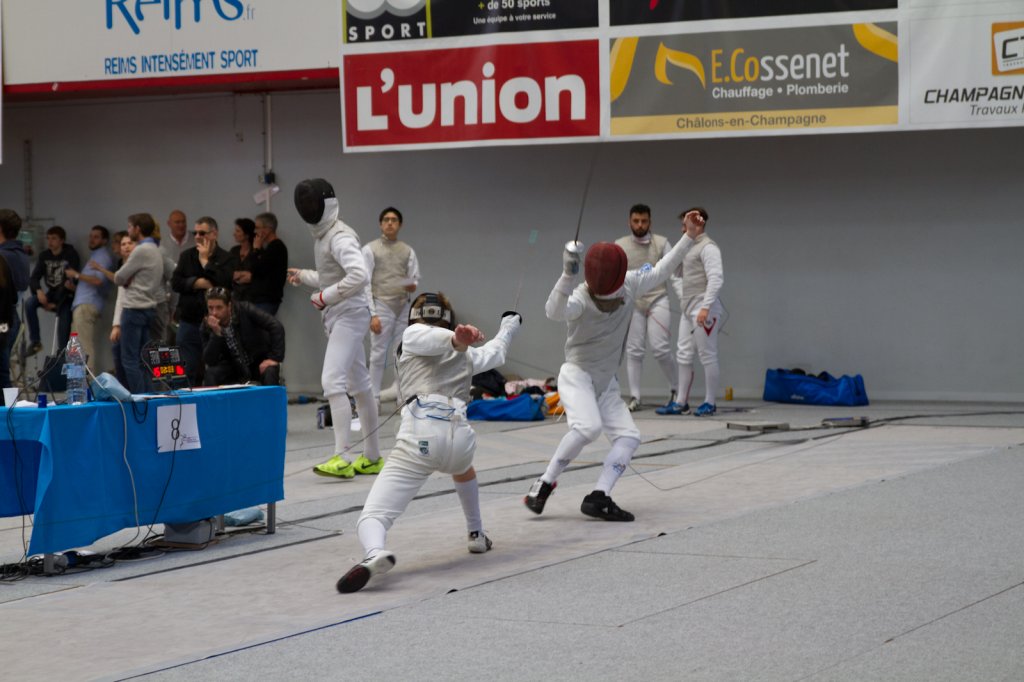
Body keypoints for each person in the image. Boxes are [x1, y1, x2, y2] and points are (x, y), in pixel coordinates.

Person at [523, 209, 705, 522]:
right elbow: (553, 310)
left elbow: (663, 270)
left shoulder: (629, 285)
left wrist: (689, 236)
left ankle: (599, 496)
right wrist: (566, 275)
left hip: (606, 382)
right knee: (588, 428)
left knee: (629, 438)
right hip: (577, 376)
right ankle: (543, 485)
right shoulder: (580, 298)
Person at [336, 293, 522, 593]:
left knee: (373, 517)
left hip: (421, 437)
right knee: (464, 470)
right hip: (460, 441)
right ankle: (476, 534)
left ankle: (374, 553)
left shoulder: (411, 335)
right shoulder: (462, 353)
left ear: (415, 317)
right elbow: (496, 353)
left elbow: (430, 337)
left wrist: (458, 339)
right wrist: (508, 327)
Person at [290, 178, 383, 479]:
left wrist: (324, 297)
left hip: (349, 314)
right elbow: (332, 276)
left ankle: (342, 457)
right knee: (361, 386)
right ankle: (372, 457)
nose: (307, 208)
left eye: (311, 203)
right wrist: (304, 276)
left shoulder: (339, 237)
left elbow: (359, 275)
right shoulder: (324, 236)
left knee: (332, 381)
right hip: (341, 313)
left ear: (325, 205)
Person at [659, 207, 724, 418]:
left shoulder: (708, 247)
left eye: (685, 224)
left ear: (697, 223)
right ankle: (681, 403)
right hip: (689, 309)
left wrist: (705, 307)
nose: (682, 229)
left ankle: (710, 403)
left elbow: (716, 279)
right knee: (684, 354)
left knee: (707, 355)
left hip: (704, 308)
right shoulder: (689, 247)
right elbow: (676, 271)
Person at [615, 204, 679, 412]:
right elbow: (615, 275)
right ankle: (635, 396)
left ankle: (676, 390)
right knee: (634, 350)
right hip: (633, 302)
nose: (640, 225)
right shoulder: (620, 245)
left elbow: (673, 273)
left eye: (644, 221)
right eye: (636, 221)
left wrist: (684, 300)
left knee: (660, 348)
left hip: (658, 298)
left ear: (650, 222)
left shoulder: (662, 243)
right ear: (629, 222)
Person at [363, 206, 420, 405]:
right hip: (381, 304)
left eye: (394, 220)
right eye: (386, 219)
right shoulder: (370, 249)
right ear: (380, 224)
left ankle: (402, 397)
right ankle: (373, 399)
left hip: (403, 306)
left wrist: (408, 283)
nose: (389, 223)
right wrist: (372, 314)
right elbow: (365, 282)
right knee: (377, 354)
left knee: (402, 352)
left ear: (400, 224)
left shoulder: (407, 251)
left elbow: (413, 280)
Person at [171, 217, 234, 386]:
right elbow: (176, 282)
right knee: (184, 370)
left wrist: (205, 262)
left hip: (216, 323)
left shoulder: (227, 258)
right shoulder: (187, 256)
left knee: (215, 370)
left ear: (214, 234)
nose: (197, 236)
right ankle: (183, 401)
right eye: (195, 233)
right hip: (189, 321)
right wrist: (196, 283)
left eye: (202, 233)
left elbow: (224, 284)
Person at [111, 214, 164, 393]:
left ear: (138, 229)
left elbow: (119, 277)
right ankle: (148, 395)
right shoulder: (155, 249)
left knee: (129, 360)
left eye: (130, 227)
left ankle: (139, 398)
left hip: (134, 309)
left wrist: (129, 278)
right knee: (143, 360)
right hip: (149, 308)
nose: (128, 230)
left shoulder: (141, 250)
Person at [202, 287, 284, 386]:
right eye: (210, 308)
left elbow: (275, 326)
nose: (214, 313)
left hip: (256, 360)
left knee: (270, 370)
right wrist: (216, 334)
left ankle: (272, 396)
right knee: (211, 374)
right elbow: (210, 361)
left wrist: (274, 358)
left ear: (229, 306)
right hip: (232, 367)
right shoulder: (206, 326)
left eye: (219, 307)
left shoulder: (245, 309)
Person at [25, 225, 80, 355]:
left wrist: (55, 305)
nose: (50, 242)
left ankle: (62, 354)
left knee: (63, 326)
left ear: (62, 240)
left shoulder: (70, 254)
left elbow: (70, 281)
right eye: (48, 238)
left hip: (66, 296)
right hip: (51, 293)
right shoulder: (44, 256)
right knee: (30, 303)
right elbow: (34, 277)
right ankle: (35, 341)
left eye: (54, 238)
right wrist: (38, 291)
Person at [65, 225, 112, 375]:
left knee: (83, 345)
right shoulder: (95, 256)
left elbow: (98, 281)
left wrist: (76, 275)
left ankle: (88, 381)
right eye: (91, 236)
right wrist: (75, 288)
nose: (91, 239)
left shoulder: (102, 256)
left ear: (104, 240)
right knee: (75, 347)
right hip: (81, 304)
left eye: (96, 237)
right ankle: (77, 380)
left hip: (86, 306)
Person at [0, 209, 30, 389]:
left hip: (4, 316)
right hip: (10, 317)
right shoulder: (21, 254)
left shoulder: (4, 256)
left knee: (2, 371)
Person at [243, 212, 288, 317]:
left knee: (258, 328)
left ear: (267, 229)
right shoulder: (269, 247)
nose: (255, 231)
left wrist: (256, 249)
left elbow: (256, 269)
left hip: (266, 301)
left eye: (257, 228)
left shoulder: (276, 247)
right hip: (261, 300)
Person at [159, 209, 193, 343]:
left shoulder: (196, 241)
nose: (181, 225)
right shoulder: (162, 244)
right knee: (167, 338)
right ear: (169, 224)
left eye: (183, 222)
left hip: (190, 296)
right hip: (169, 297)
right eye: (177, 222)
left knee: (187, 339)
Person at [228, 217, 256, 303]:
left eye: (238, 231)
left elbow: (258, 275)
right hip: (234, 295)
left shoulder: (256, 252)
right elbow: (227, 271)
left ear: (247, 235)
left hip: (252, 297)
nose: (234, 234)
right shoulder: (234, 250)